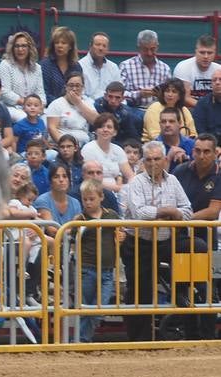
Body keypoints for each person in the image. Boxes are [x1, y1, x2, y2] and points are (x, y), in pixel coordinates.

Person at [121, 141, 194, 340]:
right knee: (139, 292)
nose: (153, 163)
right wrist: (169, 211)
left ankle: (185, 295)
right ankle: (139, 341)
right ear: (143, 162)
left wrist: (170, 214)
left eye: (157, 159)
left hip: (165, 240)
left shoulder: (173, 181)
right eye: (149, 160)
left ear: (164, 160)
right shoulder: (136, 182)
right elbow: (140, 212)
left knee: (196, 246)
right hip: (139, 243)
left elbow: (188, 211)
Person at [169, 131, 221, 340]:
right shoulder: (181, 171)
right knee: (183, 286)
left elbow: (213, 211)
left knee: (206, 288)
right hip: (182, 240)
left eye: (206, 151)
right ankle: (189, 334)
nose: (201, 155)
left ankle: (208, 336)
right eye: (197, 151)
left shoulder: (219, 175)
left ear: (215, 153)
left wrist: (184, 217)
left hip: (207, 240)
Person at [73, 179, 123, 343]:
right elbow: (70, 236)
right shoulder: (80, 219)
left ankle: (81, 339)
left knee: (99, 308)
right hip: (86, 269)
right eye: (85, 199)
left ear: (101, 197)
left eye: (91, 199)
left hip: (107, 270)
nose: (87, 203)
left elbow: (121, 233)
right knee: (86, 307)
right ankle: (82, 340)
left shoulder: (112, 215)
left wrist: (121, 236)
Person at [119, 29, 172, 118]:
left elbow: (172, 94)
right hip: (133, 109)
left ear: (157, 47)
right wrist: (139, 94)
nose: (149, 53)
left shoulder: (165, 68)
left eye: (152, 49)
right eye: (145, 49)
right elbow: (119, 94)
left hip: (159, 111)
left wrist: (161, 95)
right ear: (138, 48)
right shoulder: (126, 66)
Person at [80, 113, 133, 191]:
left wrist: (130, 188)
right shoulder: (88, 149)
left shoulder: (118, 150)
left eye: (109, 127)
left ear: (115, 132)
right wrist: (119, 188)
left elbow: (130, 176)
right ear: (96, 130)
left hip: (120, 191)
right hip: (95, 190)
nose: (105, 130)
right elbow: (91, 179)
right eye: (101, 127)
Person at [46, 71, 96, 147]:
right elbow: (52, 128)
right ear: (66, 87)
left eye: (78, 86)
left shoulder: (88, 103)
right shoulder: (56, 104)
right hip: (62, 146)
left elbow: (97, 121)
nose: (74, 89)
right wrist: (66, 146)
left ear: (83, 87)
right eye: (71, 85)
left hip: (84, 144)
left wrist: (78, 103)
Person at [0, 31, 44, 112]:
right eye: (17, 46)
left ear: (29, 48)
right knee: (24, 118)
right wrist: (26, 103)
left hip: (33, 108)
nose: (20, 49)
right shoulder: (5, 65)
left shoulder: (37, 68)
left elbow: (40, 93)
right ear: (12, 48)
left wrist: (41, 105)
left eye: (24, 46)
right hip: (10, 108)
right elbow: (4, 92)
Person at [39, 25, 81, 103]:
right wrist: (62, 103)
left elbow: (79, 90)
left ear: (70, 46)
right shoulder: (45, 65)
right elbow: (44, 93)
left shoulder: (76, 66)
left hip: (73, 105)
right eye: (56, 43)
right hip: (51, 107)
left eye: (63, 43)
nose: (59, 46)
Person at [173, 35, 219, 104]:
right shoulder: (183, 67)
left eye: (209, 53)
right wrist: (206, 108)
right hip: (188, 110)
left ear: (215, 53)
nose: (206, 56)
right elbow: (184, 98)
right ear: (196, 52)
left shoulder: (219, 70)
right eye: (202, 52)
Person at [79, 32, 120, 101]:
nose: (101, 48)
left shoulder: (114, 67)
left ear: (107, 49)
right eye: (97, 45)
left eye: (104, 46)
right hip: (87, 107)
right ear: (90, 46)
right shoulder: (80, 66)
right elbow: (80, 94)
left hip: (110, 106)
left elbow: (118, 91)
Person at [192, 69, 221, 135]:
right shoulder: (202, 104)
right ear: (211, 85)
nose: (217, 83)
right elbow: (200, 131)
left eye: (220, 79)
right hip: (210, 143)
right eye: (214, 80)